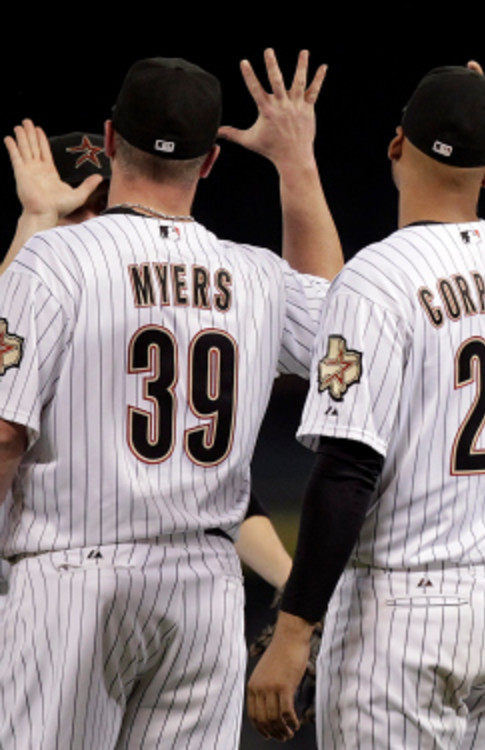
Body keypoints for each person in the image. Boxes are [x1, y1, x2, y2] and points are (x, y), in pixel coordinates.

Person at [0, 49, 340, 748]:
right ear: (210, 160)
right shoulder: (254, 276)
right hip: (204, 586)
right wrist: (296, 164)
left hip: (75, 578)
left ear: (112, 137)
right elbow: (341, 329)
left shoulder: (56, 259)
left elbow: (5, 434)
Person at [246, 21, 485, 749]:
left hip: (405, 609)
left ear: (396, 146)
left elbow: (349, 469)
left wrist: (294, 632)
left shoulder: (377, 278)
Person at [2, 122, 308, 594]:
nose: (90, 223)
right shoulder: (31, 289)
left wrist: (291, 584)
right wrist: (37, 221)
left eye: (102, 207)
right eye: (71, 208)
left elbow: (205, 494)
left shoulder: (141, 325)